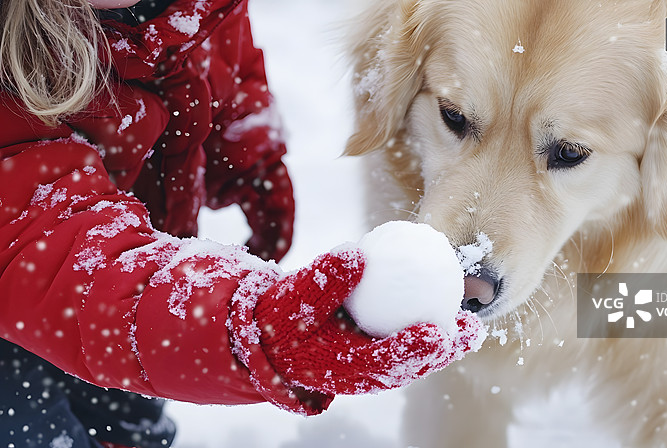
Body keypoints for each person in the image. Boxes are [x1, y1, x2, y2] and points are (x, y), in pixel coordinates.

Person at [0, 0, 483, 447]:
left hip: (126, 298)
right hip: (20, 327)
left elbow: (223, 57)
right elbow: (41, 236)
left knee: (129, 430)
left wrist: (251, 156)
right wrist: (246, 326)